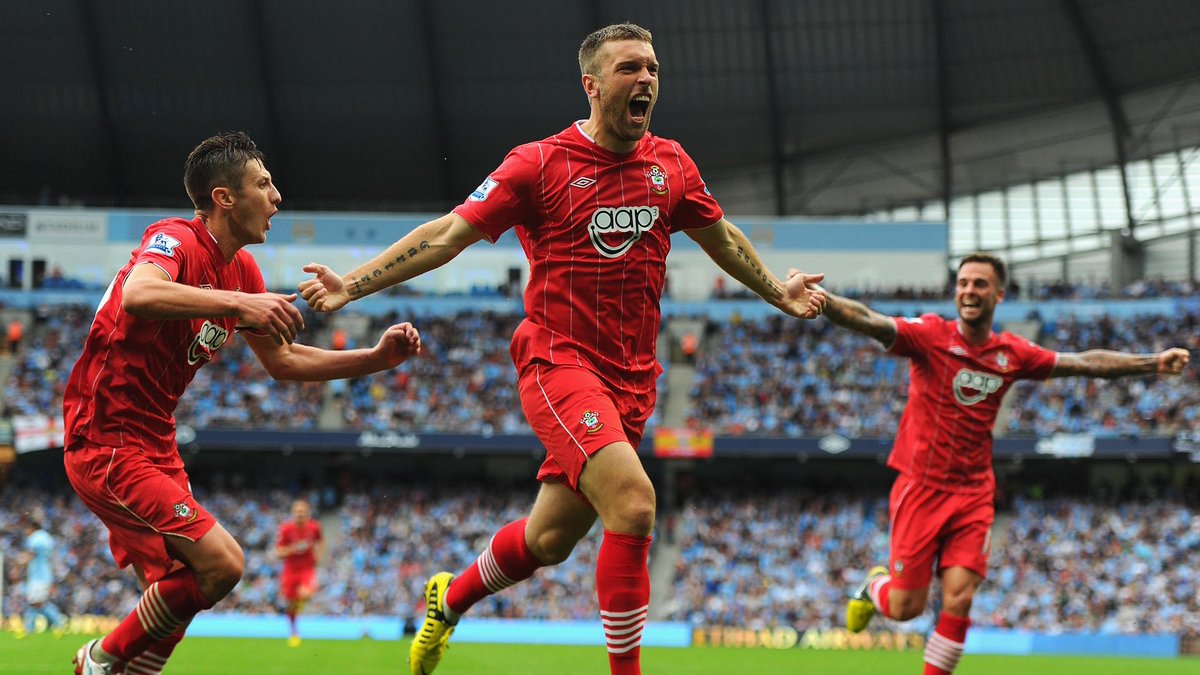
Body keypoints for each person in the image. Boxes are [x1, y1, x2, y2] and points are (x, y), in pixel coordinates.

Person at [299, 23, 827, 675]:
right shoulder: (539, 164)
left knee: (548, 540)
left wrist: (779, 291)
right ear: (592, 84)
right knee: (634, 503)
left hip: (633, 379)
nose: (647, 80)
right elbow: (447, 235)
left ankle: (448, 596)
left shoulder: (672, 166)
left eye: (654, 69)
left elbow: (722, 238)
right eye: (631, 68)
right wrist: (350, 284)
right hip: (558, 362)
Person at [62, 131, 424, 675]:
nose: (277, 196)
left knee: (173, 595)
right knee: (223, 565)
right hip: (106, 439)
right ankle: (98, 660)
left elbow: (282, 363)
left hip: (156, 441)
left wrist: (375, 359)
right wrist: (238, 303)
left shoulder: (243, 272)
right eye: (263, 182)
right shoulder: (175, 239)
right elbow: (139, 293)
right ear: (224, 197)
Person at [815, 253, 1190, 675]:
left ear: (998, 294)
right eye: (963, 283)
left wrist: (1153, 363)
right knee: (905, 608)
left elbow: (1084, 363)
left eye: (979, 284)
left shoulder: (1012, 353)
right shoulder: (929, 335)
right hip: (921, 487)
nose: (969, 291)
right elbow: (870, 320)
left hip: (973, 493)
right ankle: (875, 586)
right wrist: (822, 299)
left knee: (959, 597)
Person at [274, 499, 324, 646]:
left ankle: (301, 604)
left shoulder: (314, 527)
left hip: (307, 569)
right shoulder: (286, 529)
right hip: (290, 570)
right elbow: (278, 552)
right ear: (293, 513)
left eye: (303, 512)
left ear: (308, 513)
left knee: (306, 593)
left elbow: (321, 541)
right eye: (297, 512)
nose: (300, 514)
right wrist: (293, 549)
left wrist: (319, 556)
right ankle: (294, 633)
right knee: (290, 605)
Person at [14, 519, 68, 638]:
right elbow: (51, 558)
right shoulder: (48, 538)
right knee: (35, 603)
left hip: (37, 576)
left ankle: (59, 623)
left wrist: (18, 565)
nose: (26, 532)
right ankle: (29, 629)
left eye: (27, 529)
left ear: (32, 528)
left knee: (37, 603)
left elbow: (30, 555)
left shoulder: (35, 538)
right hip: (46, 574)